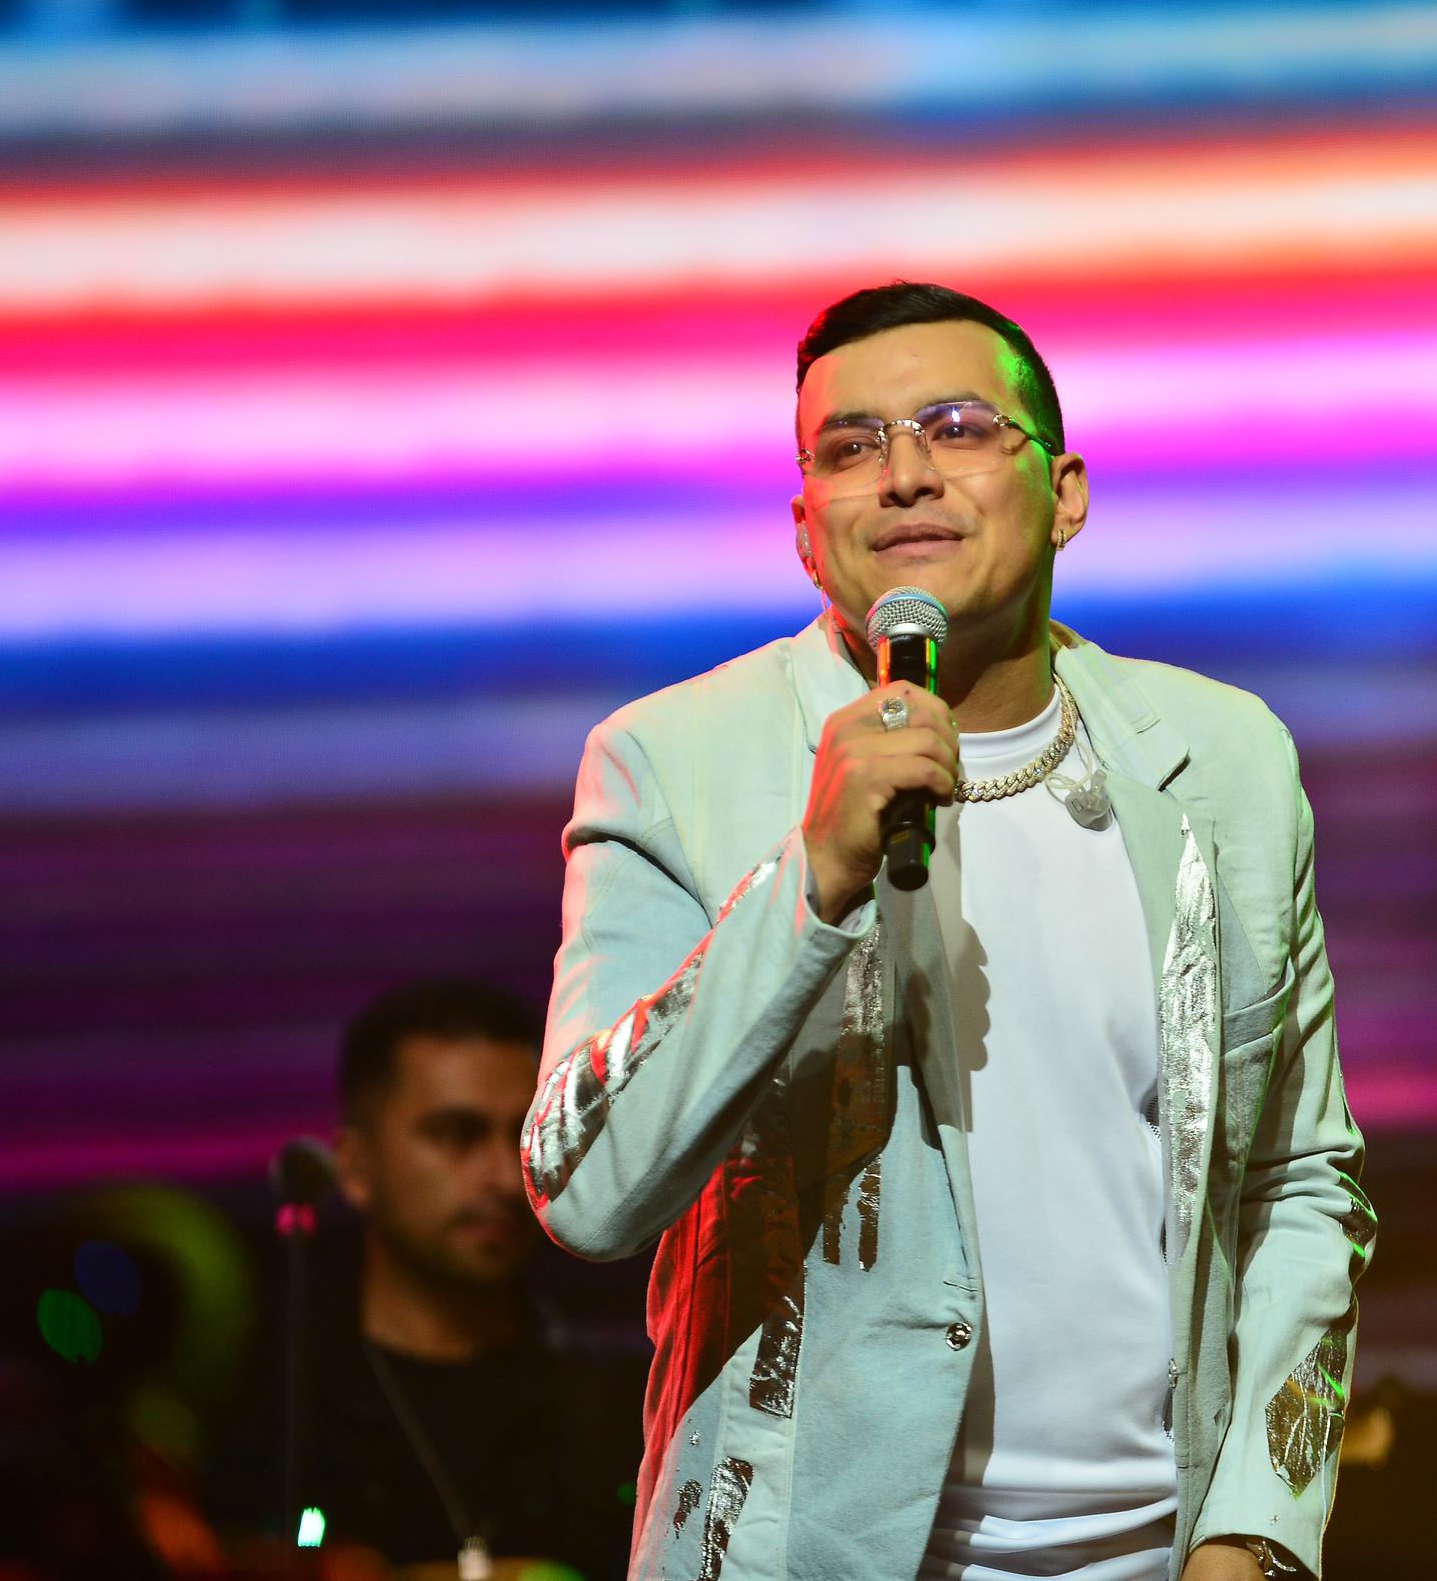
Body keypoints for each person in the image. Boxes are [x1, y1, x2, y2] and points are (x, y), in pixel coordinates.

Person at [524, 283, 1374, 1581]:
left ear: (1068, 491)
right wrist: (811, 877)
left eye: (959, 426)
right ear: (808, 530)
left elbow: (1302, 1181)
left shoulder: (1224, 763)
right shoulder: (672, 765)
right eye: (851, 447)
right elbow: (584, 1186)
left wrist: (1261, 1526)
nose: (906, 475)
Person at [292, 978, 636, 1579]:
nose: (508, 1179)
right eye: (456, 1134)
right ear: (354, 1166)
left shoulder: (616, 1406)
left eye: (526, 1135)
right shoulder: (276, 1396)